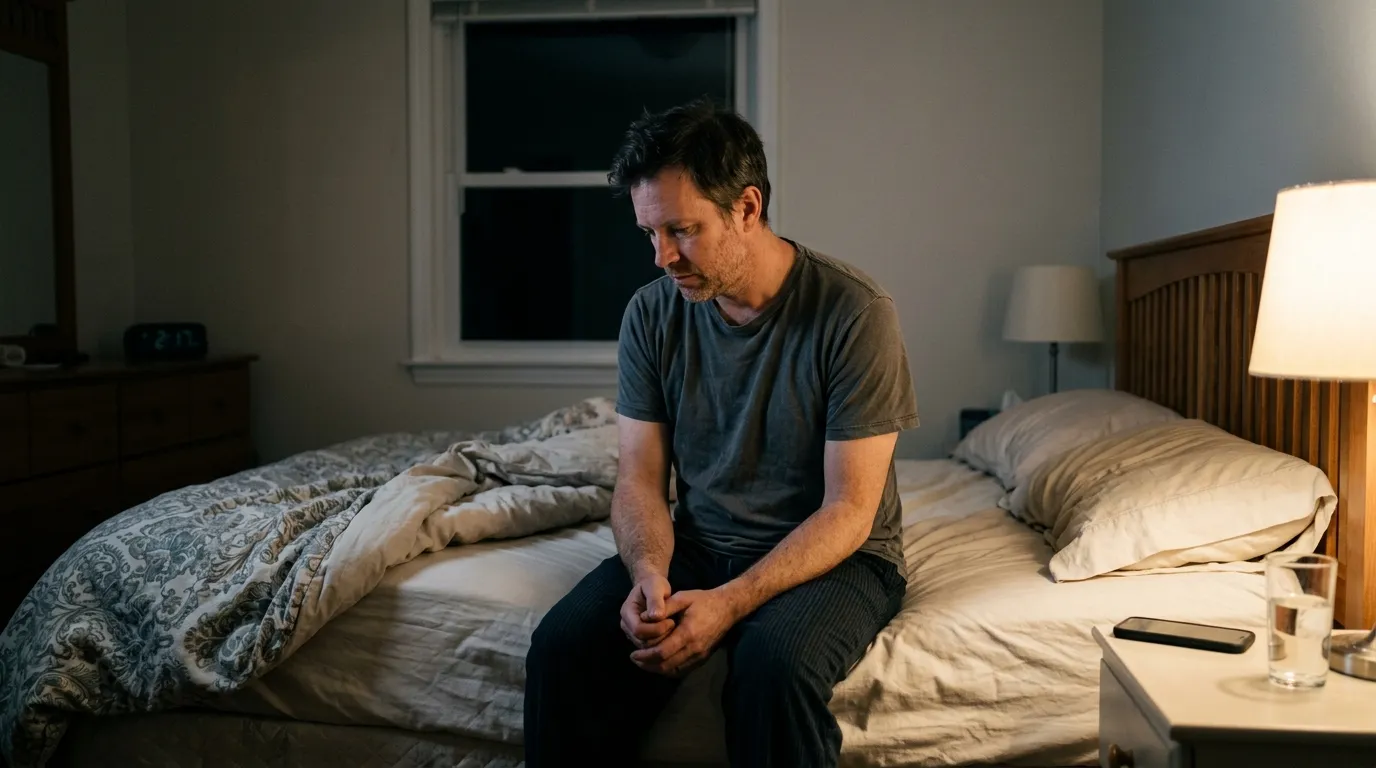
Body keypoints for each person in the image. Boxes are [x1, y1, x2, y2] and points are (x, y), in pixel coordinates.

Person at [524, 99, 919, 768]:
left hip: (842, 558)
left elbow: (850, 511)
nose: (662, 257)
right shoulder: (651, 315)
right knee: (564, 647)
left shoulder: (854, 312)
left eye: (682, 230)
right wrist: (649, 573)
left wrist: (731, 604)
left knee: (772, 668)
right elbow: (639, 478)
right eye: (649, 233)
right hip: (701, 543)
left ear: (747, 208)